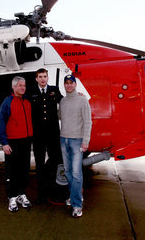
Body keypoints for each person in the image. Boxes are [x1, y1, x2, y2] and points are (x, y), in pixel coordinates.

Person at [0, 76, 33, 212]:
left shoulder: (27, 102)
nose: (22, 88)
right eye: (19, 85)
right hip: (12, 142)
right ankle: (12, 197)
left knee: (24, 170)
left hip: (26, 141)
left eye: (24, 85)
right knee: (12, 170)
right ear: (14, 87)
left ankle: (21, 194)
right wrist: (4, 143)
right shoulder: (7, 102)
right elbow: (1, 123)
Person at [29, 68, 64, 203]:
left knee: (54, 162)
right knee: (39, 163)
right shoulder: (31, 92)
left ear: (47, 77)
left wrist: (77, 96)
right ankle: (41, 194)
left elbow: (64, 102)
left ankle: (52, 190)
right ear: (36, 79)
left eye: (45, 76)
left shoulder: (54, 90)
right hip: (38, 135)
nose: (43, 79)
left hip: (53, 134)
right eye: (40, 77)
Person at [59, 74, 92, 218]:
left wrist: (86, 141)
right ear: (64, 85)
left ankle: (77, 205)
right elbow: (60, 116)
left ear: (75, 84)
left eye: (71, 83)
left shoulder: (82, 100)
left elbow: (88, 122)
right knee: (68, 172)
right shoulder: (63, 101)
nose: (69, 85)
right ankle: (74, 195)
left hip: (77, 141)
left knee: (77, 173)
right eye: (66, 83)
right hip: (63, 139)